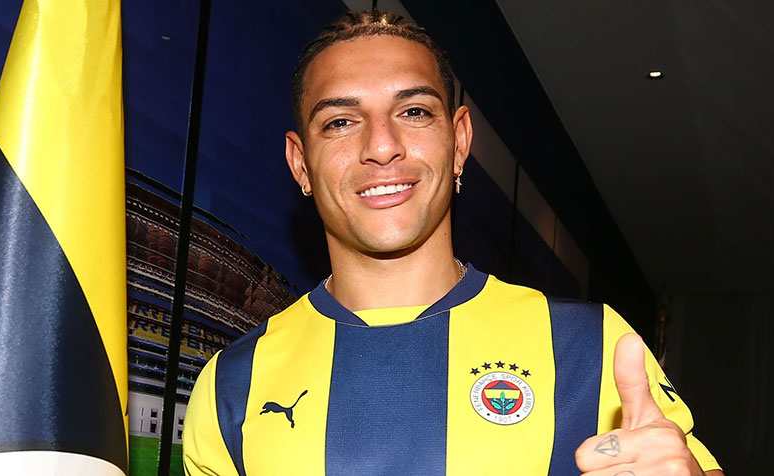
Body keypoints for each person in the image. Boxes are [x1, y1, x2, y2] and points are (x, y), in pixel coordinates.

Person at [183, 10, 723, 476]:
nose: (382, 146)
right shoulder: (232, 383)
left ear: (460, 141)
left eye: (414, 112)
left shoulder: (593, 348)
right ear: (300, 163)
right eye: (341, 121)